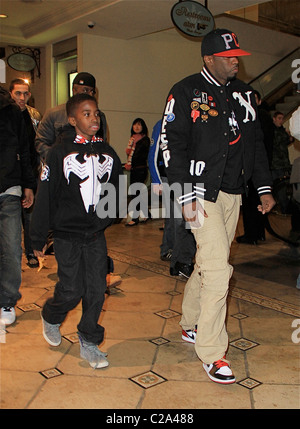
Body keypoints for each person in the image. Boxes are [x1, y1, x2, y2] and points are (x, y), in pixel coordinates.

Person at [160, 28, 275, 384]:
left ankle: (189, 323)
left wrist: (264, 187)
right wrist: (183, 194)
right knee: (218, 269)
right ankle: (212, 352)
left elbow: (253, 144)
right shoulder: (184, 91)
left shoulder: (244, 95)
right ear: (209, 58)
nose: (235, 61)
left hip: (232, 194)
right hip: (196, 192)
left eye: (237, 55)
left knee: (208, 264)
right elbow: (170, 145)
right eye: (228, 57)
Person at [30, 93, 122, 368]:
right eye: (86, 114)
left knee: (96, 289)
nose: (94, 118)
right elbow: (45, 195)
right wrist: (36, 237)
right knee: (72, 289)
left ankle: (89, 340)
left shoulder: (108, 151)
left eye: (96, 113)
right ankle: (51, 315)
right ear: (72, 120)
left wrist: (109, 216)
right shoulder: (59, 153)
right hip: (66, 235)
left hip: (95, 234)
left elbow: (117, 185)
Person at [0, 87, 35, 326]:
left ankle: (7, 300)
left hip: (9, 188)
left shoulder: (10, 109)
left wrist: (28, 184)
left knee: (11, 249)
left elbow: (26, 148)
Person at [148, 120, 195, 278]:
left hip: (186, 177)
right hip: (168, 177)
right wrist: (156, 180)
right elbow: (153, 153)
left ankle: (169, 250)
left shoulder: (191, 120)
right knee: (178, 219)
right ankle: (177, 258)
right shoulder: (162, 123)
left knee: (175, 217)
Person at [35, 72, 107, 162]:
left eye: (92, 91)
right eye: (85, 90)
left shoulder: (100, 116)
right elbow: (41, 142)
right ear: (74, 90)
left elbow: (103, 145)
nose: (89, 94)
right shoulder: (54, 114)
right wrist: (58, 159)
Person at [10, 78, 42, 267]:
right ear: (10, 94)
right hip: (11, 174)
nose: (22, 98)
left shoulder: (34, 115)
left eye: (26, 93)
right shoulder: (6, 115)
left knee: (30, 216)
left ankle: (31, 252)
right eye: (18, 93)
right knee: (12, 217)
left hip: (30, 173)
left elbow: (39, 143)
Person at [236, 90, 274, 244]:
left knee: (251, 203)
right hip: (261, 166)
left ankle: (252, 234)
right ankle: (259, 233)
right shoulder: (265, 117)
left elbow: (256, 144)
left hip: (252, 167)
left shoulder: (255, 117)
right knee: (259, 203)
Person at [125, 118, 150, 226]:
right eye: (135, 124)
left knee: (135, 193)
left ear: (143, 127)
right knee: (137, 193)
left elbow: (138, 155)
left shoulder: (144, 140)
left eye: (139, 125)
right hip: (135, 169)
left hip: (140, 169)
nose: (136, 127)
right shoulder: (132, 139)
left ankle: (135, 218)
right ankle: (146, 214)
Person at [271, 111, 294, 213]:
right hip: (276, 164)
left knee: (284, 189)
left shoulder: (282, 130)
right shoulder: (273, 130)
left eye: (282, 119)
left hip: (284, 163)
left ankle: (285, 209)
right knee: (280, 190)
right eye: (279, 118)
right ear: (274, 119)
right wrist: (287, 136)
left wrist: (290, 138)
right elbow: (278, 141)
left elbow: (286, 141)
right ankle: (283, 209)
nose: (281, 121)